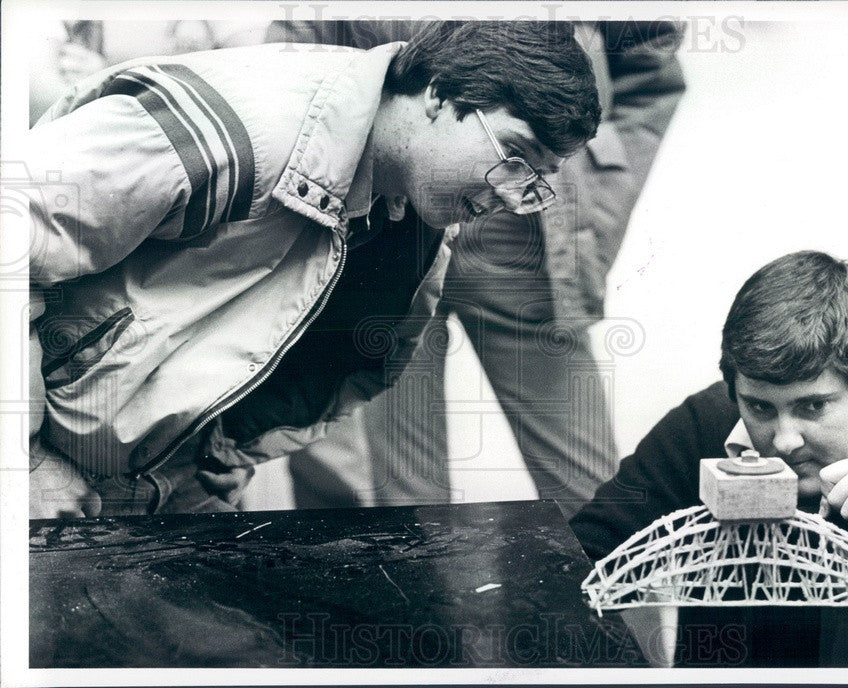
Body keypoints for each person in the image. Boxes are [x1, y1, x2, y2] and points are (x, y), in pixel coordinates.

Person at [24, 21, 601, 518]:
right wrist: (25, 461)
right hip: (49, 478)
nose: (512, 194)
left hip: (176, 484)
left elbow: (330, 358)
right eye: (514, 156)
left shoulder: (411, 210)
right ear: (440, 95)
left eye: (535, 182)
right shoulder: (233, 132)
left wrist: (231, 445)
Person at [265, 20, 686, 517]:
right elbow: (302, 44)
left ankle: (616, 592)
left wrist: (596, 178)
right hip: (392, 219)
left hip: (529, 235)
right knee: (408, 492)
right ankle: (425, 594)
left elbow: (650, 54)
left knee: (586, 486)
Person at [570, 250, 848, 666]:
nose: (785, 439)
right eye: (759, 408)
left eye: (812, 407)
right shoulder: (705, 424)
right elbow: (576, 565)